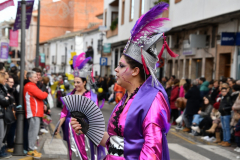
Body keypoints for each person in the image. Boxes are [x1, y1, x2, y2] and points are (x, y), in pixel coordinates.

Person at [71, 3, 174, 159]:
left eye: (121, 66)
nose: (116, 70)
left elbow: (152, 151)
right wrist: (87, 127)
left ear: (135, 71)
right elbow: (114, 144)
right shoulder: (126, 99)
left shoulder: (151, 100)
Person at [56, 53, 105, 160]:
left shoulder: (91, 96)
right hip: (71, 128)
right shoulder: (70, 95)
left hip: (85, 128)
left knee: (85, 152)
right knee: (73, 152)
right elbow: (64, 112)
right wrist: (58, 125)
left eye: (78, 82)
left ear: (84, 82)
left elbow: (95, 115)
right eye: (74, 82)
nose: (76, 84)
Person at [23, 71, 48, 158]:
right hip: (34, 112)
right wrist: (45, 93)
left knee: (34, 132)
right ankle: (30, 150)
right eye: (34, 77)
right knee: (33, 132)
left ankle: (31, 149)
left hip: (35, 112)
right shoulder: (30, 86)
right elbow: (42, 95)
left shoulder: (32, 85)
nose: (37, 78)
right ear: (29, 78)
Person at [0, 72, 13, 158]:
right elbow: (4, 101)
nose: (6, 80)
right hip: (0, 114)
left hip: (2, 114)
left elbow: (10, 99)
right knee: (1, 135)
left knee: (3, 134)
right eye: (5, 78)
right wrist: (7, 98)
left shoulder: (3, 88)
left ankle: (1, 150)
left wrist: (8, 98)